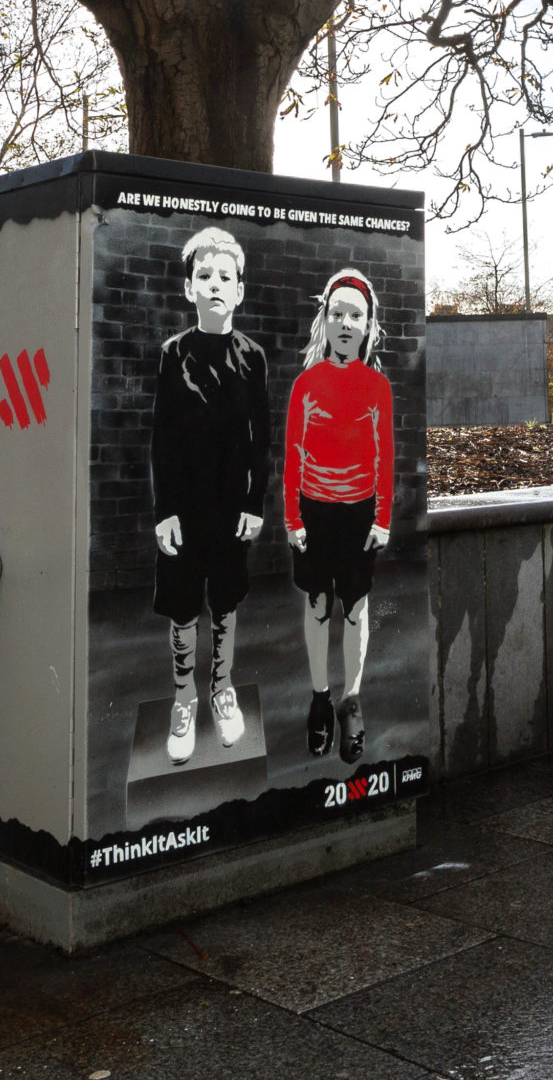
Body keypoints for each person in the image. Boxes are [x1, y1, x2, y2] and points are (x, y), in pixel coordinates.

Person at [151, 227, 271, 765]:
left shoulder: (253, 358)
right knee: (183, 606)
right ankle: (184, 698)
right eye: (205, 276)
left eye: (226, 277)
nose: (215, 285)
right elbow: (162, 440)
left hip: (230, 507)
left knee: (224, 603)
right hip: (185, 507)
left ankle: (223, 692)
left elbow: (263, 441)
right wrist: (164, 511)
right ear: (188, 287)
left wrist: (255, 504)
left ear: (240, 291)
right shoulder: (172, 354)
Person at [286, 268, 394, 764]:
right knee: (318, 605)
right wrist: (293, 519)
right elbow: (292, 456)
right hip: (314, 512)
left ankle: (351, 700)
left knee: (355, 608)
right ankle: (319, 698)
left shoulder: (377, 388)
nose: (346, 323)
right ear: (324, 322)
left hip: (359, 517)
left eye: (356, 315)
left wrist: (383, 519)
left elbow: (385, 457)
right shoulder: (306, 384)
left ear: (369, 325)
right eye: (338, 314)